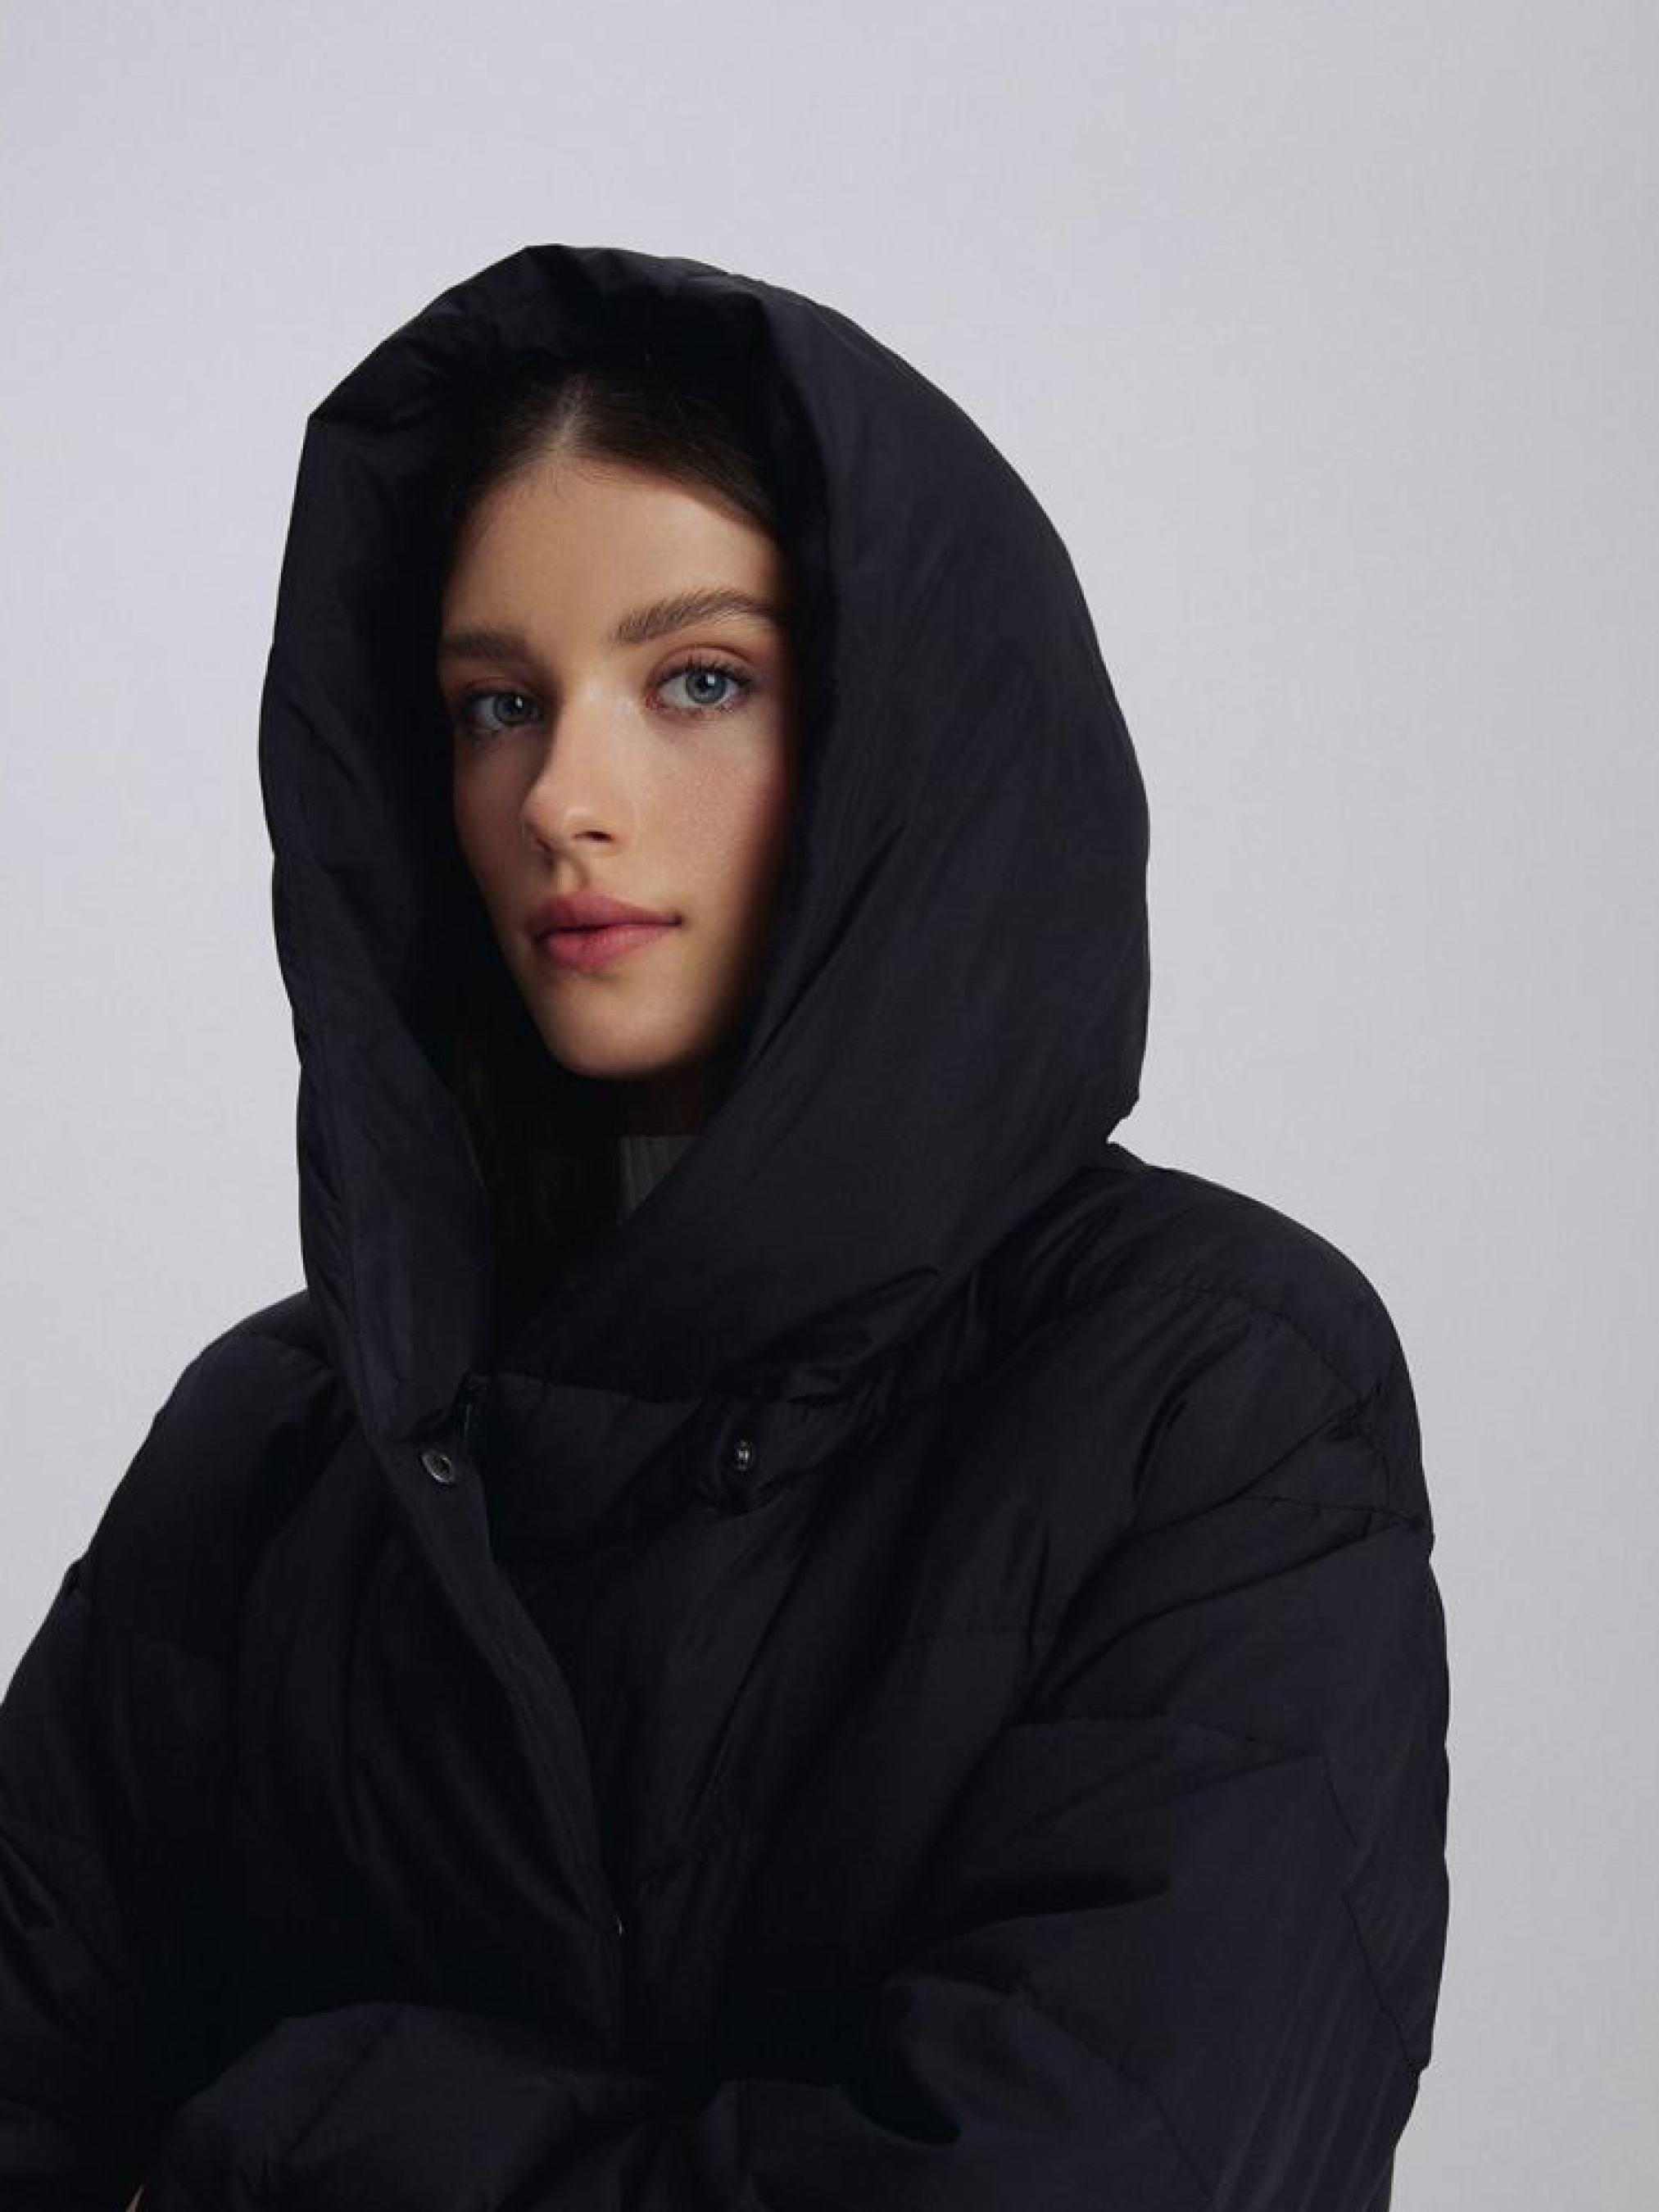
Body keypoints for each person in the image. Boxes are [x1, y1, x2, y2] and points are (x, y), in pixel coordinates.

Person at [0, 243, 1446, 2211]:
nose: (559, 796)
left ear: (908, 739)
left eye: (698, 680)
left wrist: (294, 2145)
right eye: (495, 702)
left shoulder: (1205, 1390)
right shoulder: (273, 1442)